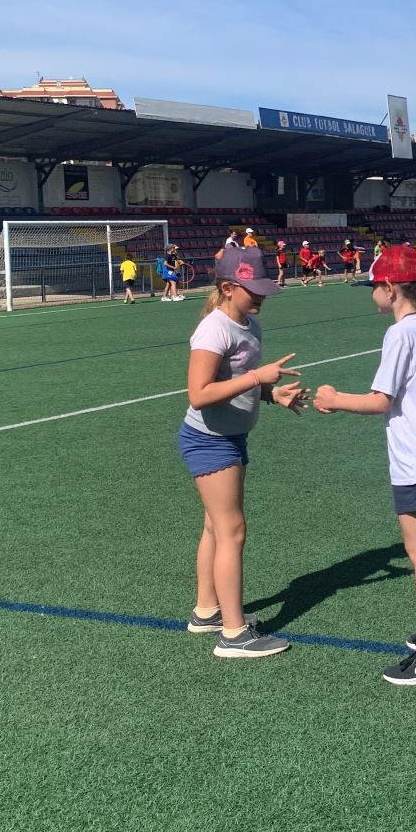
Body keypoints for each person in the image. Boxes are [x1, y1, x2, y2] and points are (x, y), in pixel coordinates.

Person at [314, 246, 416, 686]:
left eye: (374, 286)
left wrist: (334, 399)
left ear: (391, 289)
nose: (371, 293)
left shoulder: (400, 334)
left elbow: (381, 401)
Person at [179, 244, 307, 658]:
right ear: (228, 288)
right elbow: (199, 394)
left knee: (216, 528)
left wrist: (272, 394)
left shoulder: (250, 326)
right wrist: (257, 379)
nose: (261, 297)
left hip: (231, 437)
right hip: (209, 440)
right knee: (232, 531)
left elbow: (237, 383)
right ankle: (234, 634)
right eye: (254, 290)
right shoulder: (214, 330)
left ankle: (207, 611)